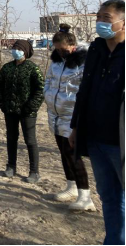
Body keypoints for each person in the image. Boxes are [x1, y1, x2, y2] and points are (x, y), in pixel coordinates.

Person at [70, 0, 125, 246]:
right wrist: (75, 126)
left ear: (123, 23)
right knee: (108, 196)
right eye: (99, 17)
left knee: (122, 199)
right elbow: (84, 90)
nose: (100, 22)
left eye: (106, 17)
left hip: (121, 141)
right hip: (95, 138)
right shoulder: (96, 49)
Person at [44, 24, 96, 212]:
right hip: (55, 113)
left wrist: (77, 107)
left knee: (73, 153)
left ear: (72, 46)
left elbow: (86, 89)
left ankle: (85, 195)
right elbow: (49, 79)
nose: (60, 53)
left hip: (73, 114)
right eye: (56, 49)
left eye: (63, 49)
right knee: (63, 152)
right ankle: (71, 186)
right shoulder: (57, 61)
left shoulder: (85, 61)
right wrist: (48, 95)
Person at [0, 40, 44, 183]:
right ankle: (11, 166)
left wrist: (31, 106)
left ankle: (34, 171)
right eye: (14, 47)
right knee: (11, 138)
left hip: (27, 111)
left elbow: (40, 89)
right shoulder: (7, 68)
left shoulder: (32, 68)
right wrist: (1, 102)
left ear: (26, 52)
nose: (15, 50)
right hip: (10, 109)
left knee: (30, 140)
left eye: (19, 48)